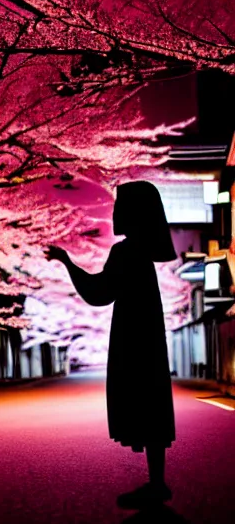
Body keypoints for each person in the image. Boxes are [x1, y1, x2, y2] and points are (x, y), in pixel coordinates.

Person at [44, 181, 177, 507]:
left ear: (132, 213)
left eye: (120, 205)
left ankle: (157, 484)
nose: (115, 211)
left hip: (132, 338)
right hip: (147, 336)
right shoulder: (142, 253)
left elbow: (100, 292)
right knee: (151, 405)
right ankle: (157, 482)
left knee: (140, 404)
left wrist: (67, 263)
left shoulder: (127, 252)